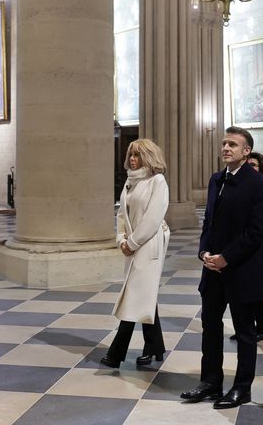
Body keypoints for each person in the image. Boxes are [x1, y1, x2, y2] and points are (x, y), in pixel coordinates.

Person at [180, 127, 263, 409]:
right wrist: (204, 252)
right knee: (210, 326)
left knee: (245, 331)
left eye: (232, 144)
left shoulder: (259, 184)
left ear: (246, 151)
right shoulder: (216, 179)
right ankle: (210, 381)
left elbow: (257, 232)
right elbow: (209, 220)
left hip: (242, 269)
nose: (226, 148)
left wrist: (226, 257)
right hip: (213, 269)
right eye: (224, 143)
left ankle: (242, 387)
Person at [101, 139, 170, 369]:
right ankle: (155, 347)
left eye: (137, 155)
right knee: (144, 295)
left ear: (149, 157)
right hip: (132, 247)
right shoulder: (131, 181)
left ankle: (115, 354)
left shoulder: (157, 181)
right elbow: (121, 214)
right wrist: (121, 240)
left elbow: (153, 218)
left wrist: (132, 242)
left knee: (133, 295)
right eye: (131, 154)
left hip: (148, 246)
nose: (132, 159)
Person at [229, 151, 263, 343]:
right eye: (247, 165)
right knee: (244, 288)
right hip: (245, 244)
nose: (250, 169)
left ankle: (261, 328)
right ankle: (245, 326)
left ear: (262, 168)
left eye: (254, 165)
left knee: (259, 288)